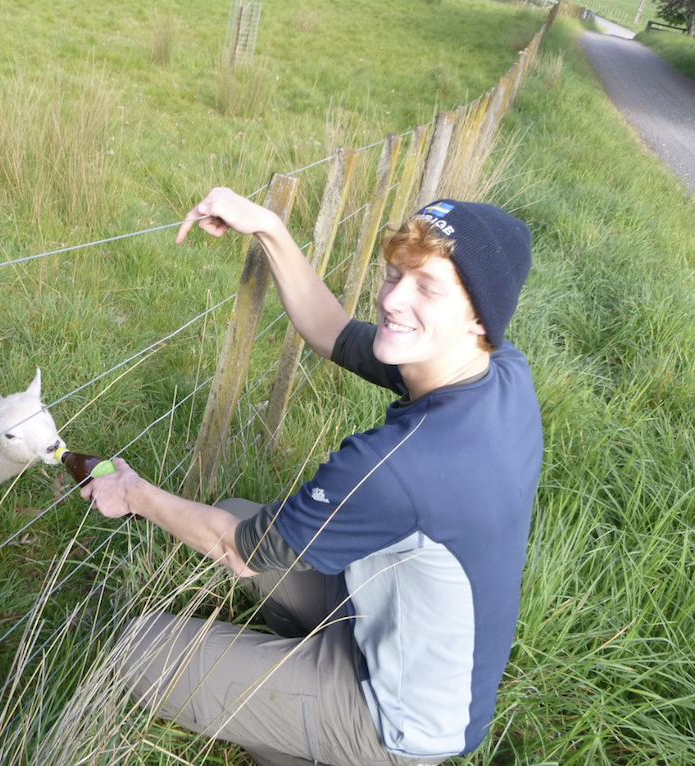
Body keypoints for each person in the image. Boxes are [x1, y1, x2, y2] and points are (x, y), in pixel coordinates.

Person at [80, 187, 543, 766]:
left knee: (138, 649)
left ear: (479, 318)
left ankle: (325, 744)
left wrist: (132, 493)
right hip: (400, 629)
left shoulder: (399, 467)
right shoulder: (497, 369)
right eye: (394, 274)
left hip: (401, 717)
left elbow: (240, 552)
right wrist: (268, 227)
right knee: (238, 511)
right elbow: (334, 333)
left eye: (427, 287)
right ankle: (299, 690)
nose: (393, 299)